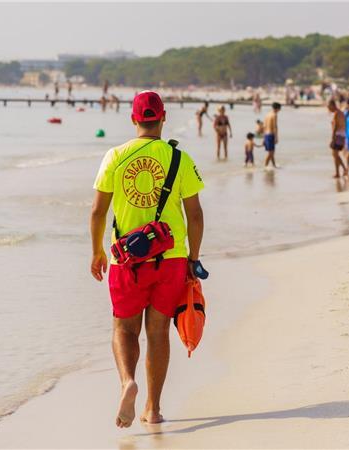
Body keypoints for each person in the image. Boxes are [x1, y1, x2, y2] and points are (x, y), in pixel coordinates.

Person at [90, 91, 205, 429]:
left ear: (133, 119)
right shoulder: (179, 158)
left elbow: (97, 211)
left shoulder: (115, 156)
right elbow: (195, 215)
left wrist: (97, 251)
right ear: (163, 117)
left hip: (127, 261)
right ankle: (152, 409)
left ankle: (128, 381)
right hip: (171, 260)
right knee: (158, 332)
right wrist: (193, 259)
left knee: (124, 328)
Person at [327, 99, 348, 177]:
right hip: (342, 135)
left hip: (337, 135)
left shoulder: (336, 113)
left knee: (335, 154)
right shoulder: (341, 113)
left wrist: (333, 139)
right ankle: (343, 170)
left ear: (332, 105)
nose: (328, 109)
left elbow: (335, 127)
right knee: (335, 154)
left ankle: (339, 172)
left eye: (329, 107)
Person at [263, 102, 281, 169]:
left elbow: (264, 126)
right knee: (271, 153)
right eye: (279, 109)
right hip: (271, 135)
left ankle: (274, 165)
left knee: (271, 152)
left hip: (266, 134)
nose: (279, 110)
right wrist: (276, 137)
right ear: (277, 108)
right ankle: (265, 166)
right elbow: (275, 126)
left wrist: (264, 138)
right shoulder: (274, 115)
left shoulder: (267, 115)